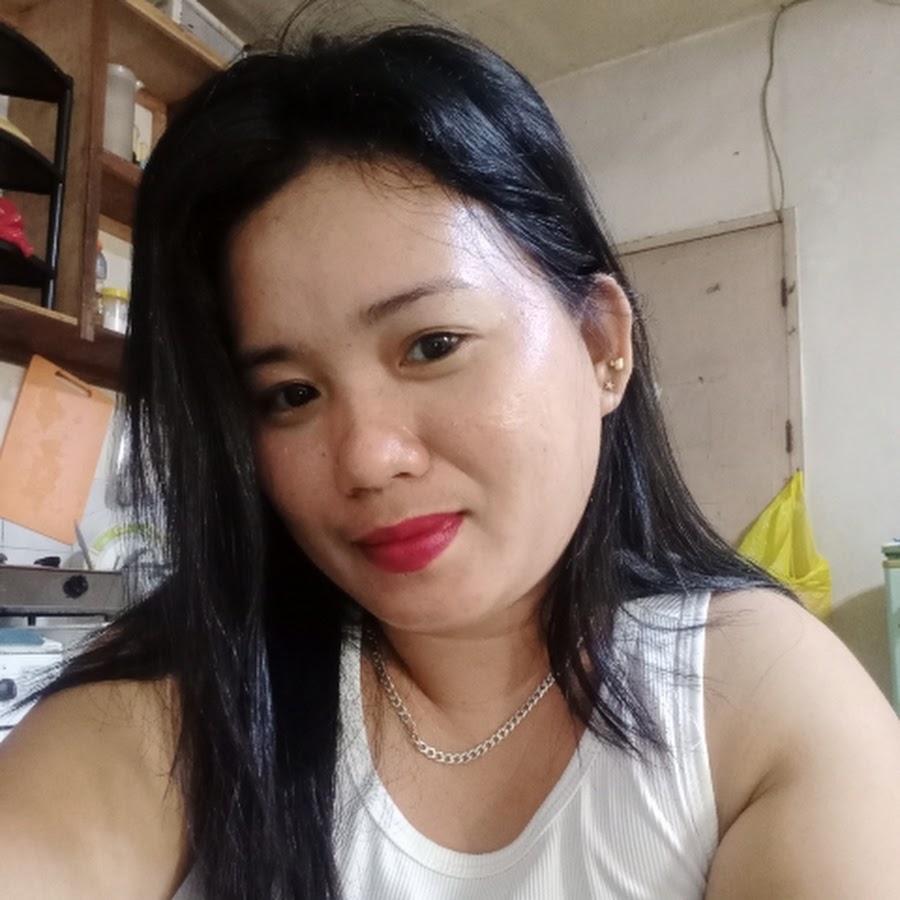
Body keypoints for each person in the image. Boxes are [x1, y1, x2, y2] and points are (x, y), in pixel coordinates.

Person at [1, 19, 899, 900]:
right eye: (291, 395)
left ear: (601, 343)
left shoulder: (754, 692)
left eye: (432, 345)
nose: (367, 458)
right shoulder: (186, 695)